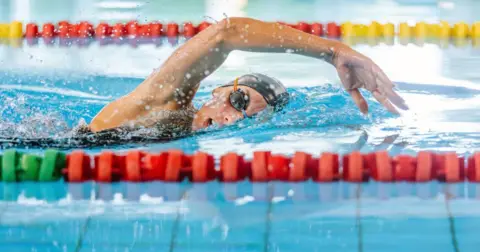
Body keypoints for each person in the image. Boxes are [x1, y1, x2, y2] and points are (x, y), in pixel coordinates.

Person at [88, 17, 408, 136]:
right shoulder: (166, 100)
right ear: (217, 90)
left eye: (243, 117)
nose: (229, 118)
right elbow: (226, 32)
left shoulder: (185, 133)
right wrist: (333, 52)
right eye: (238, 100)